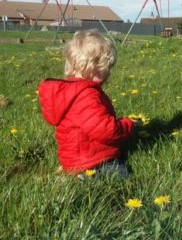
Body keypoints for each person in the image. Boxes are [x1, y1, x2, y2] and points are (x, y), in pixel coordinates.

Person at [38, 30, 134, 178]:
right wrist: (127, 125)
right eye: (107, 69)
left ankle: (75, 173)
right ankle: (85, 178)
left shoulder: (73, 92)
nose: (109, 74)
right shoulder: (86, 95)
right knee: (122, 174)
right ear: (93, 68)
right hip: (91, 160)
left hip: (76, 157)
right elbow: (106, 131)